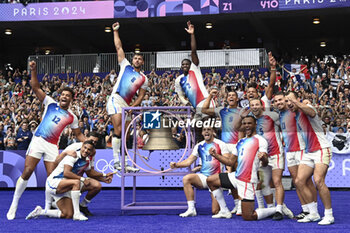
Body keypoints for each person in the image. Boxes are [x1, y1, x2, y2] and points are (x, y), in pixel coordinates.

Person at [7, 61, 85, 220]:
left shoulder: (72, 117)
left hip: (52, 146)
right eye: (62, 94)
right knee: (27, 171)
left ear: (71, 99)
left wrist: (89, 141)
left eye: (67, 96)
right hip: (38, 140)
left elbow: (79, 135)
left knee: (52, 178)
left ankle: (48, 207)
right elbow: (35, 87)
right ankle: (14, 205)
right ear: (60, 96)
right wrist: (33, 70)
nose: (64, 96)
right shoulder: (50, 103)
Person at [207, 116, 292, 220]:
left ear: (255, 124)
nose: (247, 126)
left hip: (248, 180)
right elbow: (230, 162)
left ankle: (276, 209)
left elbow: (265, 163)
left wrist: (264, 158)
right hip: (236, 177)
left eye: (249, 123)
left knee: (248, 216)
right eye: (245, 123)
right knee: (210, 180)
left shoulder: (260, 140)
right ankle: (224, 211)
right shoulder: (240, 142)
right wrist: (216, 155)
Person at [26, 140, 113, 221]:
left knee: (67, 214)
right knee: (77, 182)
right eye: (85, 148)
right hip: (54, 183)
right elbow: (66, 173)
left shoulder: (86, 160)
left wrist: (104, 177)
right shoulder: (73, 156)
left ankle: (41, 211)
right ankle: (77, 213)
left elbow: (90, 173)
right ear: (81, 147)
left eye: (89, 149)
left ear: (91, 152)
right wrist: (82, 178)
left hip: (67, 185)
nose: (86, 151)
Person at [286, 91, 334, 225]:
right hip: (308, 152)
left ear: (298, 100)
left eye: (291, 100)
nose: (289, 103)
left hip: (321, 149)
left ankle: (329, 215)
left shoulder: (308, 108)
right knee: (299, 181)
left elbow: (312, 113)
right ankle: (313, 213)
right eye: (287, 101)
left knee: (318, 181)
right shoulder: (295, 115)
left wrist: (297, 102)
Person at [107, 22, 148, 172]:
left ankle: (125, 163)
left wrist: (133, 107)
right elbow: (119, 47)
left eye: (139, 59)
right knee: (118, 129)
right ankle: (116, 161)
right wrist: (115, 31)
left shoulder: (144, 78)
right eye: (135, 58)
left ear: (143, 62)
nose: (137, 60)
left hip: (127, 104)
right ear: (133, 60)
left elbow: (141, 96)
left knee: (125, 134)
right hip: (116, 99)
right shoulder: (125, 65)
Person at [246, 98, 293, 220]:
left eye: (257, 104)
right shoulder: (251, 120)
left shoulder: (272, 116)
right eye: (252, 105)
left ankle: (278, 210)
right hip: (262, 156)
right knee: (262, 183)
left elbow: (286, 126)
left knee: (277, 181)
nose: (255, 107)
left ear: (262, 106)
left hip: (276, 152)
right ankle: (270, 207)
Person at [169, 123, 230, 218]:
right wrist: (177, 165)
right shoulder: (199, 146)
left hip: (216, 179)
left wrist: (228, 171)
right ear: (202, 133)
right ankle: (191, 209)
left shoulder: (221, 144)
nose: (206, 131)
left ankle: (226, 208)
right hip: (204, 177)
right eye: (204, 129)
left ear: (213, 132)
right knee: (187, 179)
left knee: (215, 211)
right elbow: (189, 161)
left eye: (209, 129)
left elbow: (227, 160)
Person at [274, 92, 318, 220]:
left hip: (302, 149)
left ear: (287, 100)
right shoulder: (279, 115)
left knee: (306, 181)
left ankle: (313, 210)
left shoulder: (295, 110)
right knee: (297, 182)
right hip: (289, 151)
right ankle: (305, 210)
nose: (279, 103)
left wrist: (305, 102)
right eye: (276, 101)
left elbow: (309, 111)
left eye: (281, 100)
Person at [202, 87, 241, 214]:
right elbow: (204, 110)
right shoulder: (222, 110)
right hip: (225, 146)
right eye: (228, 95)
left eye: (233, 95)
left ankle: (241, 204)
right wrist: (210, 96)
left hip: (237, 145)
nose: (230, 97)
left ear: (237, 98)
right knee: (231, 177)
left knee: (239, 176)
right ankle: (236, 205)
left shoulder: (243, 111)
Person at [175, 21, 215, 120]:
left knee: (209, 126)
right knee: (197, 130)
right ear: (181, 66)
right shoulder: (178, 80)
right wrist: (186, 103)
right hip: (196, 107)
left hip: (205, 101)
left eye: (187, 64)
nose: (185, 66)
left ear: (190, 65)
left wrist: (192, 34)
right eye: (183, 64)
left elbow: (193, 51)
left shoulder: (194, 70)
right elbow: (180, 95)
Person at [55, 131, 100, 216]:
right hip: (62, 178)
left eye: (95, 142)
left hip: (76, 179)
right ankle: (54, 205)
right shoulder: (74, 147)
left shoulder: (92, 152)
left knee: (97, 185)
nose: (93, 143)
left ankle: (82, 206)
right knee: (68, 213)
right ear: (86, 138)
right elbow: (57, 161)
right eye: (91, 140)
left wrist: (104, 177)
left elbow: (90, 172)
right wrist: (65, 153)